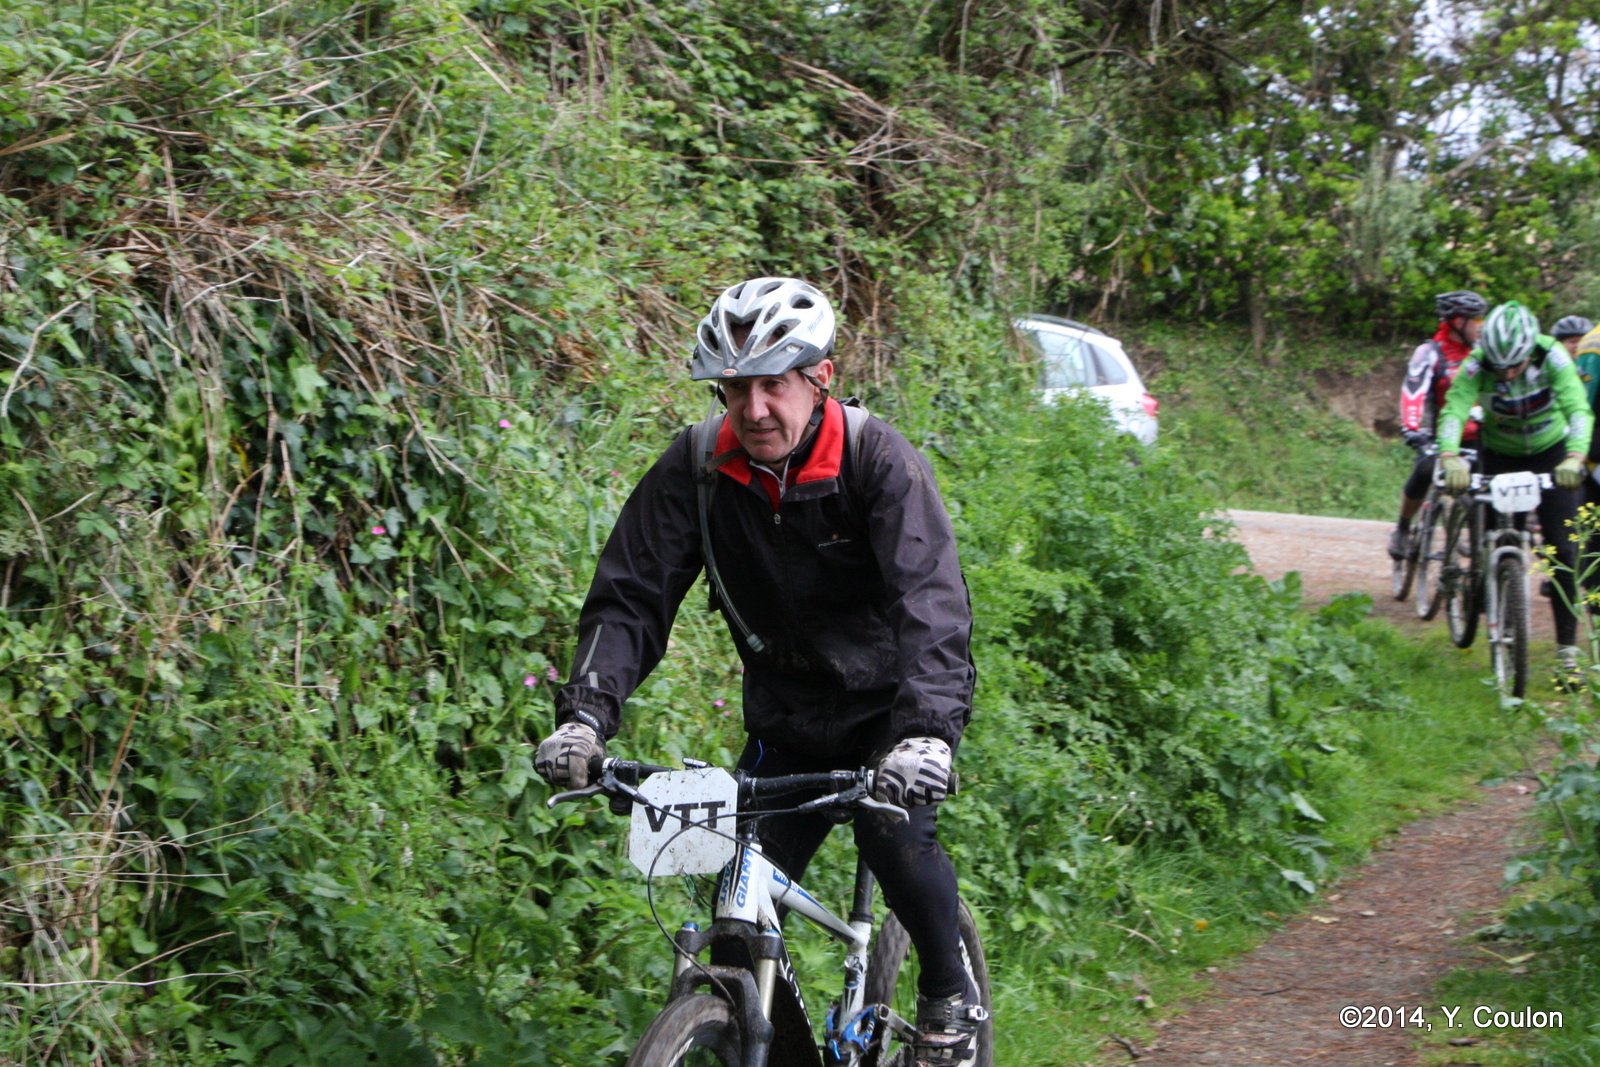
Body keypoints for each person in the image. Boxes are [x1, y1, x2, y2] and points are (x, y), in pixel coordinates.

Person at [534, 277, 983, 1064]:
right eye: (736, 388)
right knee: (734, 925)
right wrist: (584, 717)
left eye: (774, 384)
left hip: (890, 718)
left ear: (820, 377)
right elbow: (631, 598)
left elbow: (932, 604)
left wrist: (926, 732)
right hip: (788, 720)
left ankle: (950, 991)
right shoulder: (698, 468)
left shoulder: (876, 461)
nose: (755, 408)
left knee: (897, 840)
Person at [1437, 301, 1593, 684]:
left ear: (1529, 351)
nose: (1506, 373)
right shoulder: (1476, 363)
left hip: (1552, 453)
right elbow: (1455, 409)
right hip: (1499, 454)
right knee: (1498, 536)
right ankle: (1489, 589)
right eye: (1499, 366)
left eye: (1515, 365)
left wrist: (1575, 457)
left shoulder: (1553, 356)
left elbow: (1578, 409)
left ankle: (1566, 655)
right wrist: (1450, 456)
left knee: (1562, 551)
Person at [1388, 291, 1489, 561]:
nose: (1481, 326)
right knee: (1425, 469)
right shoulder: (1429, 353)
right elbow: (1413, 391)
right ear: (1457, 322)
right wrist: (1411, 428)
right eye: (1476, 320)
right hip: (1442, 437)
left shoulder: (1483, 352)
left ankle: (1480, 535)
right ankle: (1403, 528)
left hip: (1480, 435)